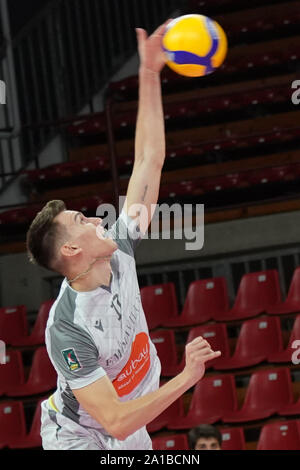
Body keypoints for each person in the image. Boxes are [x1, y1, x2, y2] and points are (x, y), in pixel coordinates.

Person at [26, 20, 221, 450]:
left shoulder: (120, 247)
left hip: (130, 423)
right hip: (78, 436)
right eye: (83, 221)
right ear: (73, 250)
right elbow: (112, 420)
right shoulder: (67, 329)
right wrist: (187, 377)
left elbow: (149, 160)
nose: (98, 220)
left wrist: (149, 74)